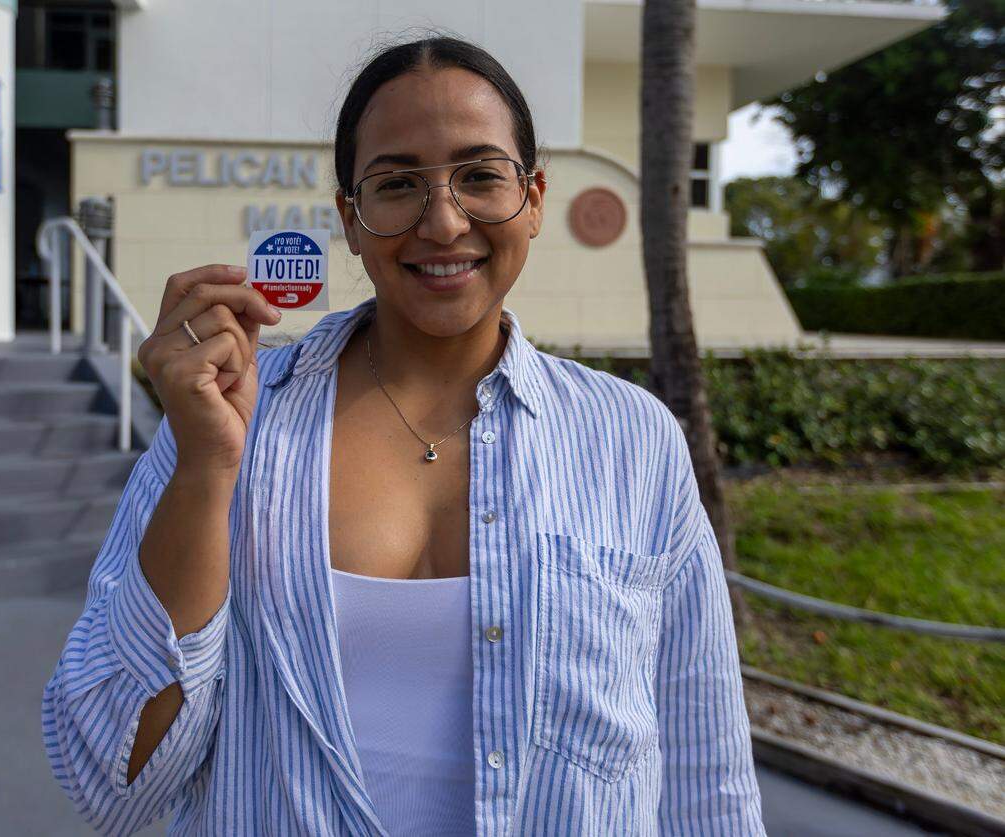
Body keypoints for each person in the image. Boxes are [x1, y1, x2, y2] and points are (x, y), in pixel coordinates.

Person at [41, 35, 765, 836]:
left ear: (534, 198)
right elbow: (111, 779)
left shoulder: (633, 442)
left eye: (481, 175)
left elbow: (709, 777)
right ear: (351, 219)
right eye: (397, 185)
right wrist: (208, 470)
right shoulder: (228, 424)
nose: (444, 221)